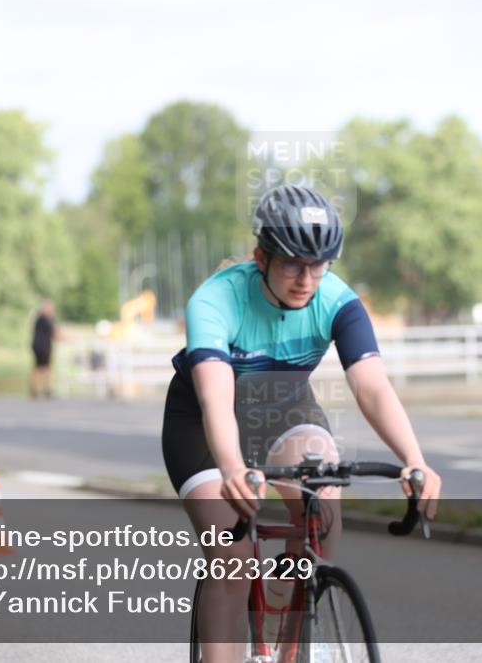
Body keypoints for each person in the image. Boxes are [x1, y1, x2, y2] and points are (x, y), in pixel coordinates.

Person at [161, 184, 442, 661]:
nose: (306, 279)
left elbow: (372, 386)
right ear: (261, 257)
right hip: (205, 421)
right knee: (231, 561)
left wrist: (414, 460)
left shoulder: (337, 299)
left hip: (287, 409)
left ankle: (289, 629)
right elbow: (215, 398)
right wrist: (232, 465)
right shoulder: (214, 301)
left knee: (324, 511)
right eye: (292, 262)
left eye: (319, 264)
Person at [30, 299, 59, 399]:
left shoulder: (39, 319)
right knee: (46, 368)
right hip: (43, 347)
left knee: (38, 367)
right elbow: (55, 333)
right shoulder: (44, 320)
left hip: (38, 346)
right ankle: (47, 390)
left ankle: (35, 390)